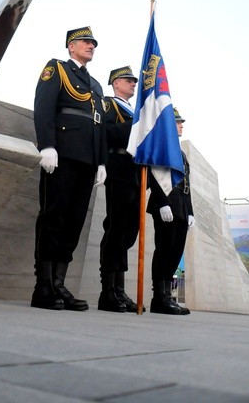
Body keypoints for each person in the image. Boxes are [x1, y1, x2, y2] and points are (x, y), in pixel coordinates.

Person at [31, 26, 107, 312]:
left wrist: (102, 161)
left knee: (74, 221)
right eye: (86, 42)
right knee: (53, 215)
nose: (91, 46)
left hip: (87, 160)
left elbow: (98, 125)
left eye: (93, 43)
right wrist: (47, 145)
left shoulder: (96, 85)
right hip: (61, 153)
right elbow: (44, 106)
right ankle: (43, 286)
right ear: (71, 46)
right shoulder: (57, 69)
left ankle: (60, 284)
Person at [98, 66, 141, 313]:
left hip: (134, 172)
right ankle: (108, 291)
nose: (133, 84)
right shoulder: (109, 105)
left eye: (134, 81)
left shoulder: (136, 112)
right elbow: (106, 132)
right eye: (129, 81)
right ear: (116, 83)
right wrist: (136, 127)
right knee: (115, 229)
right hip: (118, 168)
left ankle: (119, 288)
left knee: (128, 232)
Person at [147, 107, 195, 315]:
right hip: (166, 205)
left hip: (181, 207)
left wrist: (190, 211)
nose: (181, 125)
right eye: (177, 122)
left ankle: (168, 296)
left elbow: (187, 184)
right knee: (164, 250)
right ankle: (159, 297)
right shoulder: (161, 146)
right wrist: (161, 202)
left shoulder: (181, 152)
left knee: (175, 252)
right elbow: (154, 175)